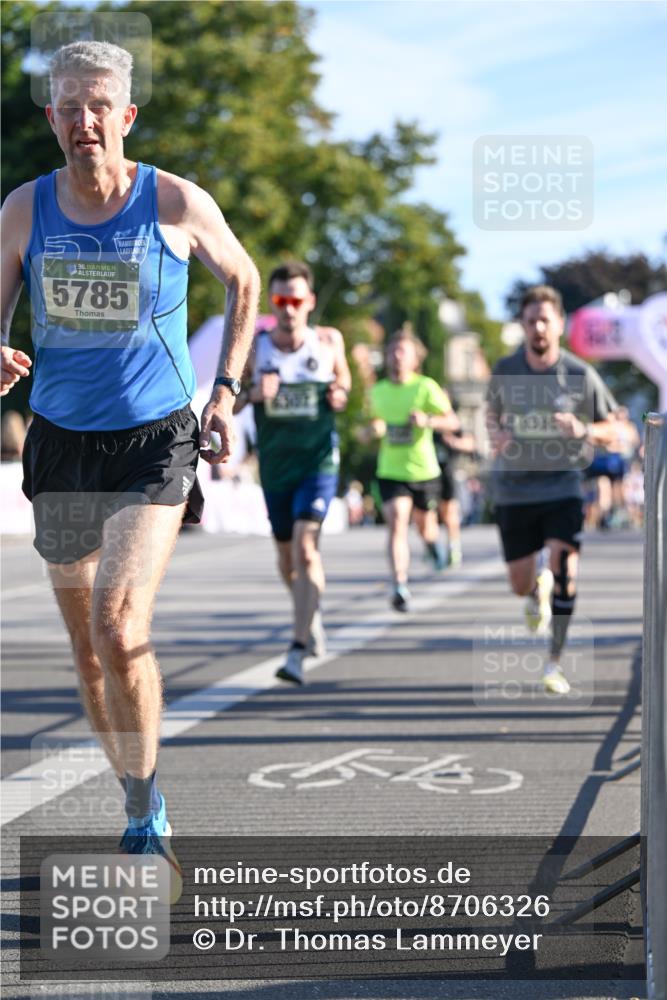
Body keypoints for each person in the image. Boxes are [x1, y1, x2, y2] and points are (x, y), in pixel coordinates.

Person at [0, 41, 259, 887]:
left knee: (118, 627)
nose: (84, 120)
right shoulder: (24, 209)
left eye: (99, 105)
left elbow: (244, 280)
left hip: (154, 437)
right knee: (86, 651)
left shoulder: (174, 201)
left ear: (127, 115)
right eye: (68, 107)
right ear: (52, 118)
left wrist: (224, 392)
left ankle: (148, 817)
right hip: (59, 442)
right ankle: (135, 793)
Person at [487, 285, 618, 695]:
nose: (539, 328)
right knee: (518, 583)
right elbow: (491, 416)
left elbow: (617, 429)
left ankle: (554, 663)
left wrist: (584, 430)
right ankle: (533, 591)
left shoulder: (580, 375)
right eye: (531, 321)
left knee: (565, 569)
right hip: (514, 489)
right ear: (523, 326)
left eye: (545, 320)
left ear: (560, 324)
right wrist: (497, 435)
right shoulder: (505, 370)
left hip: (562, 485)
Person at [233, 261, 351, 685]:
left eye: (296, 300)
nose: (288, 308)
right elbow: (227, 403)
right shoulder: (254, 347)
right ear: (271, 302)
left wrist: (339, 394)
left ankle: (297, 648)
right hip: (276, 467)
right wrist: (252, 393)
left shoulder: (328, 341)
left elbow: (344, 382)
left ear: (310, 302)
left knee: (305, 548)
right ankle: (309, 612)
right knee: (286, 558)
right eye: (281, 299)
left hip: (317, 462)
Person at [364, 329, 459, 612]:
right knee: (397, 523)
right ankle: (399, 585)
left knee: (425, 527)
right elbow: (363, 430)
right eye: (392, 351)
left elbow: (452, 422)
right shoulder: (377, 392)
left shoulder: (425, 387)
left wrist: (427, 420)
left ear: (415, 359)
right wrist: (371, 430)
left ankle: (432, 545)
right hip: (391, 471)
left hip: (424, 471)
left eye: (402, 351)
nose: (396, 356)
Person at [432, 420, 476, 567]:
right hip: (427, 476)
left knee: (449, 512)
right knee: (429, 516)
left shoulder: (453, 424)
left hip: (449, 474)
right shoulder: (425, 425)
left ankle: (453, 548)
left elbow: (470, 443)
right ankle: (433, 547)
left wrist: (453, 442)